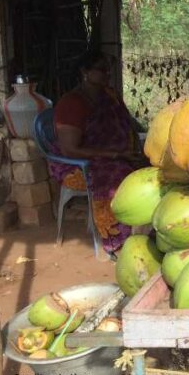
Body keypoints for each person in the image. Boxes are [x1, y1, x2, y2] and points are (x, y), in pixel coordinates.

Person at [49, 50, 144, 256]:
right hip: (76, 164)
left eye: (108, 70)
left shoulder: (108, 96)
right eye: (101, 70)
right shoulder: (72, 104)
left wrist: (131, 147)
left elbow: (126, 125)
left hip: (114, 153)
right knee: (117, 178)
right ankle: (117, 239)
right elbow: (70, 149)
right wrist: (115, 155)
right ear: (85, 72)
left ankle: (144, 229)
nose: (107, 74)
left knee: (148, 167)